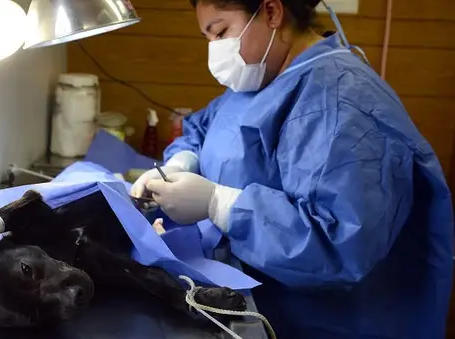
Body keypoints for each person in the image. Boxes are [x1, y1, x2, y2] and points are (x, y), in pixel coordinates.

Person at [130, 0, 454, 338]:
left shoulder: (342, 103)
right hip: (261, 303)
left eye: (221, 32)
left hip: (328, 323)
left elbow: (338, 248)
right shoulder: (263, 79)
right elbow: (203, 127)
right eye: (207, 37)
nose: (215, 50)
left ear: (271, 12)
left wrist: (221, 204)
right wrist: (181, 161)